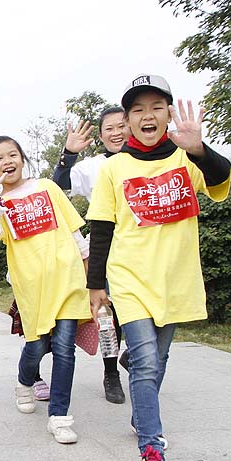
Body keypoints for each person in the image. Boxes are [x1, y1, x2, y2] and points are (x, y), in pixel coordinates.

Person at [86, 74, 231, 461]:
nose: (146, 116)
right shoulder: (114, 168)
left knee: (159, 358)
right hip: (129, 277)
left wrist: (199, 149)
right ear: (127, 120)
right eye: (137, 110)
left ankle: (140, 413)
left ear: (168, 113)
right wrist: (96, 285)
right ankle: (152, 451)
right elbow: (100, 228)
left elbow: (221, 178)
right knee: (146, 362)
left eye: (155, 107)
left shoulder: (188, 159)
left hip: (176, 277)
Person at [0, 136, 91, 444]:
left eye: (12, 154)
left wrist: (90, 277)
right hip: (32, 288)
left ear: (22, 158)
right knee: (37, 346)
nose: (7, 161)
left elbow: (74, 232)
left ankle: (60, 416)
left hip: (67, 280)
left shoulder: (47, 187)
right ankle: (25, 380)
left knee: (65, 348)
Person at [53, 108, 132, 404]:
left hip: (146, 249)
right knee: (109, 314)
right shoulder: (94, 167)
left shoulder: (150, 160)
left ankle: (134, 356)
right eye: (109, 128)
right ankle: (111, 372)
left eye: (122, 126)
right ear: (101, 136)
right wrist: (68, 154)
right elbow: (59, 185)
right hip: (107, 247)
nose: (117, 132)